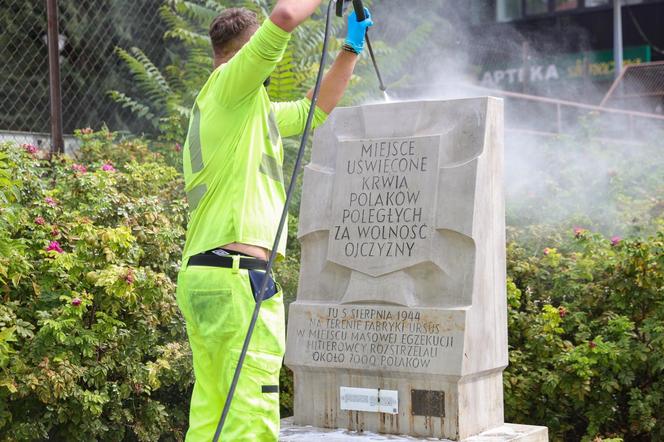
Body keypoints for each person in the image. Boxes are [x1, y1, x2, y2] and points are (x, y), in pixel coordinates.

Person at [176, 1, 373, 440]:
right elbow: (285, 16)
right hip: (236, 279)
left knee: (215, 413)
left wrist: (350, 48)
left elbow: (311, 113)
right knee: (250, 413)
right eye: (260, 49)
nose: (271, 55)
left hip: (210, 275)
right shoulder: (229, 85)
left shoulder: (245, 111)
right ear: (242, 51)